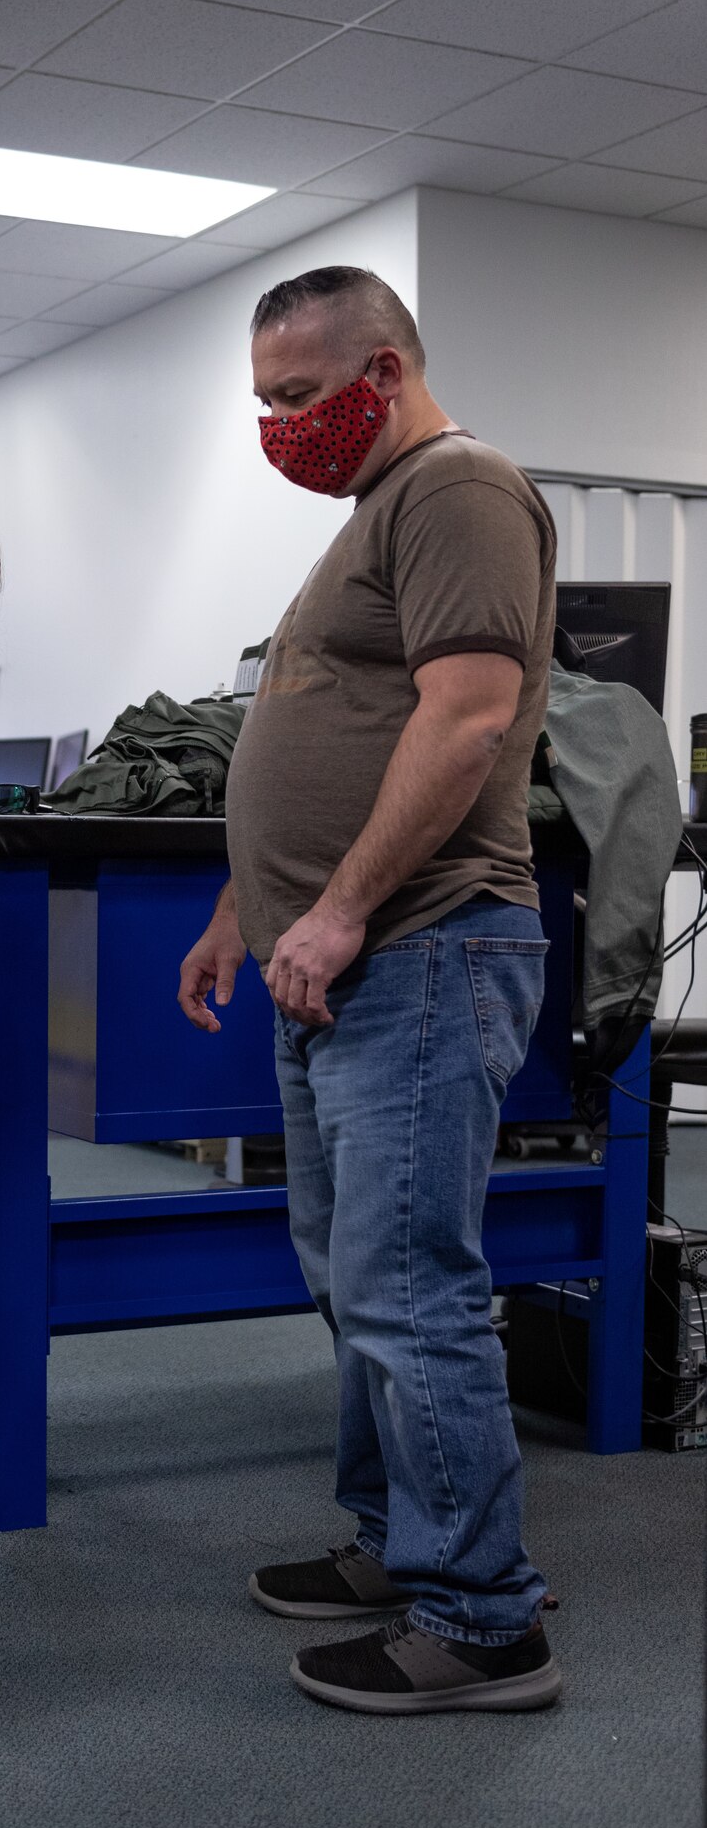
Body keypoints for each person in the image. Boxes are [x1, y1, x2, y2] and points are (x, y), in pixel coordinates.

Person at [178, 267, 563, 1715]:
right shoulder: (367, 520)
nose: (280, 426)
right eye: (264, 401)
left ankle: (481, 1622)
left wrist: (337, 912)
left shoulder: (457, 488)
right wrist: (244, 906)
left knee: (411, 1291)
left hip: (421, 944)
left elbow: (464, 721)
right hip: (338, 955)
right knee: (356, 1279)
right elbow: (324, 729)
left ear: (385, 369)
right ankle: (402, 1545)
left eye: (299, 396)